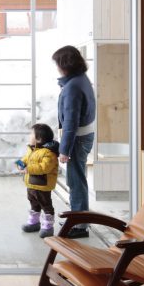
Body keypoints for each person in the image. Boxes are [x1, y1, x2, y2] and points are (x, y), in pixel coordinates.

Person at [53, 45, 96, 239]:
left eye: (58, 64)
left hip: (77, 138)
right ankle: (77, 219)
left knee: (76, 181)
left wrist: (64, 150)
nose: (57, 68)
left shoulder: (73, 87)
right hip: (83, 135)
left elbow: (71, 122)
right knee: (77, 179)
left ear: (65, 65)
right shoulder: (80, 80)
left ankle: (79, 226)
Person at [16, 123, 60, 238]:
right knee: (33, 203)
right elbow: (26, 159)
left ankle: (48, 226)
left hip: (42, 185)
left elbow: (44, 167)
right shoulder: (32, 150)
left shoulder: (49, 153)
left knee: (46, 205)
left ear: (39, 139)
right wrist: (21, 164)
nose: (29, 136)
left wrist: (28, 168)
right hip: (31, 184)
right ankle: (34, 222)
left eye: (31, 134)